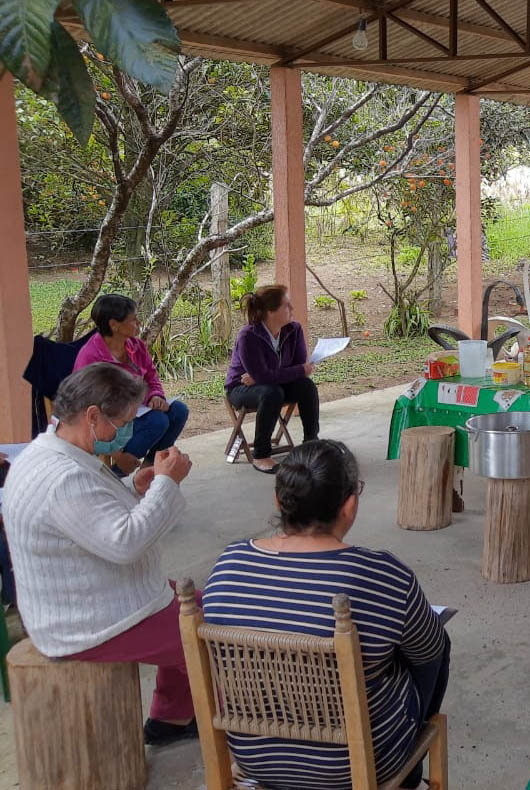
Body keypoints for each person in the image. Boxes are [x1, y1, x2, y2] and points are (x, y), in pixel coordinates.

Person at [202, 440, 450, 790]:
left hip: (255, 758)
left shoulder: (229, 565)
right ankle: (408, 769)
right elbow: (429, 653)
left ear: (279, 500)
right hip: (355, 765)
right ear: (349, 505)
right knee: (431, 644)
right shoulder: (382, 574)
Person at [2, 363, 196, 746]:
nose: (125, 432)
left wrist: (133, 486)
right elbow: (125, 542)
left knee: (198, 605)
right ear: (92, 416)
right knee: (213, 634)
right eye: (123, 421)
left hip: (84, 602)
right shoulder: (61, 477)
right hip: (84, 623)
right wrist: (166, 485)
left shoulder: (49, 453)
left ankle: (170, 718)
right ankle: (245, 727)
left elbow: (87, 513)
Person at [73, 293, 189, 475]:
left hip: (137, 413)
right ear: (114, 325)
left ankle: (149, 468)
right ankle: (118, 471)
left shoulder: (136, 346)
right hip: (107, 425)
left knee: (179, 411)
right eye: (133, 320)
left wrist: (155, 396)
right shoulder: (91, 357)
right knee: (157, 421)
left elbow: (151, 376)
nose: (139, 323)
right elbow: (88, 409)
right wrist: (118, 454)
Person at [226, 284, 320, 474]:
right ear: (270, 311)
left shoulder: (293, 330)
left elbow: (298, 369)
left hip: (272, 384)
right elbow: (292, 370)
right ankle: (261, 455)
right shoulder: (248, 336)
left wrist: (263, 376)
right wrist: (264, 377)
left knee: (306, 386)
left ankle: (311, 443)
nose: (292, 309)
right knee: (271, 392)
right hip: (240, 388)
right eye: (286, 305)